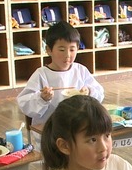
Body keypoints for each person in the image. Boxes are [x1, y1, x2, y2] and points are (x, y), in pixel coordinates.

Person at [17, 20, 105, 149]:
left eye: (72, 49)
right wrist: (42, 98)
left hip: (78, 128)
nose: (67, 55)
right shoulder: (41, 74)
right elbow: (24, 102)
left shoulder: (80, 70)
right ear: (49, 50)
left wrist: (90, 92)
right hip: (50, 131)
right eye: (62, 49)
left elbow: (99, 92)